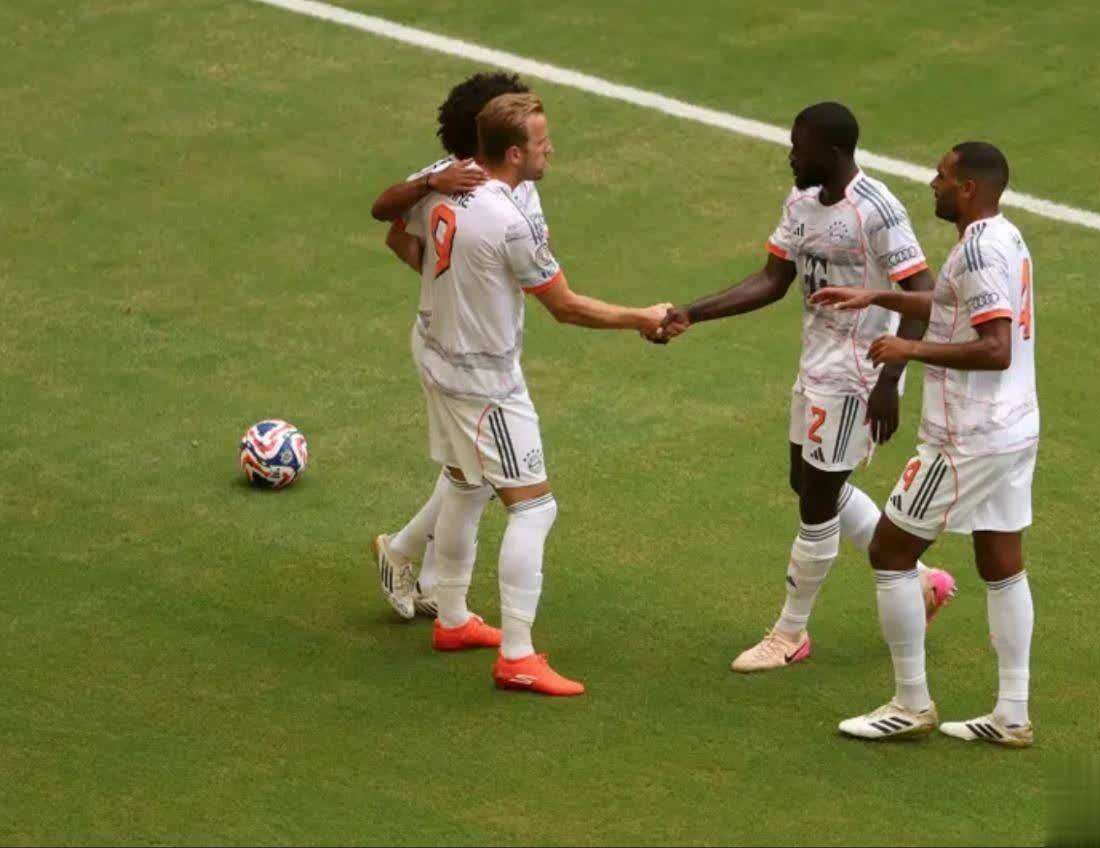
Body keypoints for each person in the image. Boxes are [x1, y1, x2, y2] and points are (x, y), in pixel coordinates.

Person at [659, 102, 955, 674]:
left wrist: (890, 379)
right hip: (815, 367)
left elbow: (924, 293)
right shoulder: (800, 203)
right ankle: (921, 581)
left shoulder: (876, 210)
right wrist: (693, 313)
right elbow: (772, 280)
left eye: (801, 146)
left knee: (816, 502)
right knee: (808, 481)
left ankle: (789, 633)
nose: (791, 155)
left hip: (855, 376)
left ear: (833, 152)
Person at [404, 92, 671, 695]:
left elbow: (400, 234)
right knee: (533, 508)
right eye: (543, 142)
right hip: (486, 384)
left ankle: (452, 619)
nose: (551, 150)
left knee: (466, 485)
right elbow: (565, 306)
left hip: (439, 359)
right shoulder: (509, 220)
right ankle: (518, 657)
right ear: (514, 153)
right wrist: (643, 317)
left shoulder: (442, 186)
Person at [824, 142, 1039, 746]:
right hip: (1012, 429)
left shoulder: (978, 250)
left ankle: (910, 702)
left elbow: (995, 348)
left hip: (966, 438)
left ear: (968, 188)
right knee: (1001, 561)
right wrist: (877, 297)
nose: (932, 182)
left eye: (942, 176)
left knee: (891, 550)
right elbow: (948, 304)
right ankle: (1012, 714)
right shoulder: (1005, 237)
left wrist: (909, 348)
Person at [369, 72, 545, 621]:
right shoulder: (447, 177)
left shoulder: (517, 184)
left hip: (482, 348)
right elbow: (391, 225)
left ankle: (416, 568)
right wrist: (450, 284)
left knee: (470, 477)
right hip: (456, 353)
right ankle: (421, 572)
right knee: (481, 480)